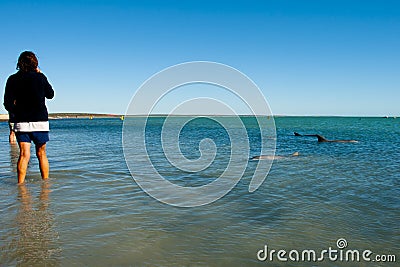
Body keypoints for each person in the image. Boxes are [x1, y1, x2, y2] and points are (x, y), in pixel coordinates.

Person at [3, 51, 54, 184]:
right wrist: (40, 74)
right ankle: (46, 186)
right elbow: (51, 94)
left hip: (22, 122)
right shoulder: (40, 77)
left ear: (19, 63)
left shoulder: (12, 79)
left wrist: (17, 112)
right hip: (40, 121)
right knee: (41, 154)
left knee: (24, 155)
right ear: (35, 63)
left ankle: (20, 186)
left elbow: (7, 103)